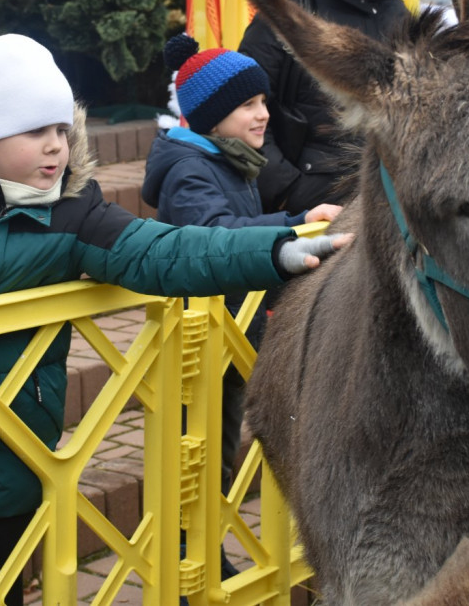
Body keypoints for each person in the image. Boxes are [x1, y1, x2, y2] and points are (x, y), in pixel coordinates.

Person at [0, 34, 350, 605]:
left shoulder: (76, 209)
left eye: (62, 130)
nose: (56, 148)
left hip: (3, 462)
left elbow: (164, 251)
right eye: (35, 132)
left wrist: (275, 251)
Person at [141, 34, 343, 580]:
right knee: (196, 453)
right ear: (211, 115)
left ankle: (205, 554)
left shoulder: (229, 161)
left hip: (230, 329)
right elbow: (214, 236)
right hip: (197, 339)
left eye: (263, 102)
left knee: (218, 448)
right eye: (248, 105)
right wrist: (293, 226)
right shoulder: (191, 171)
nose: (263, 115)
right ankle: (187, 566)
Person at [238, 0, 432, 215]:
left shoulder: (400, 15)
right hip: (309, 216)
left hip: (391, 211)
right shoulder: (292, 8)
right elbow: (239, 112)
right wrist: (291, 193)